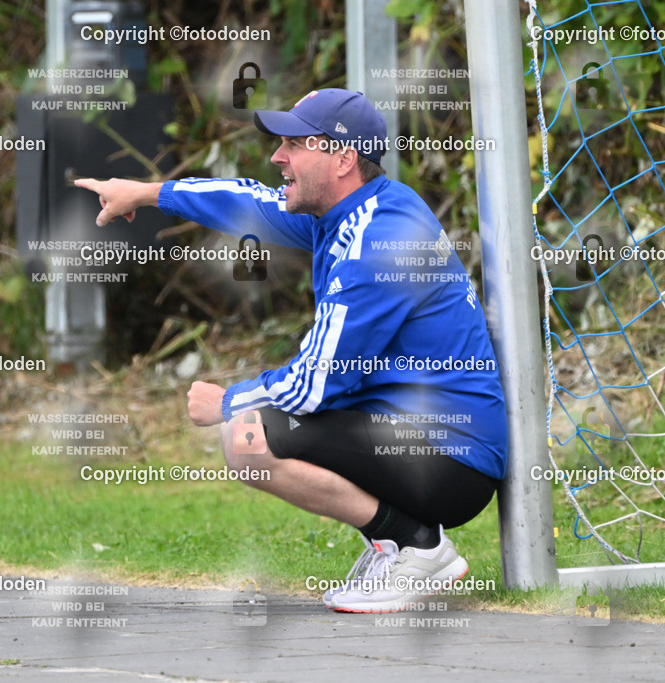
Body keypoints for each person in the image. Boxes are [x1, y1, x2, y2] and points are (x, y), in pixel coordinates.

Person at [75, 88, 507, 613]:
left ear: (343, 158)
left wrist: (228, 402)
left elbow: (318, 382)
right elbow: (248, 202)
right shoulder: (362, 206)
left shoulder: (379, 244)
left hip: (449, 461)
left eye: (295, 143)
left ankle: (418, 548)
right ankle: (403, 543)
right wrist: (147, 193)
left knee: (249, 436)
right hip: (420, 438)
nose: (278, 156)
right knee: (259, 429)